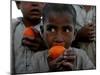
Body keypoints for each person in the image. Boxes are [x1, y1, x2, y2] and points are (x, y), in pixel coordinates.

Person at [31, 3, 95, 73]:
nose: (59, 38)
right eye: (51, 29)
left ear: (74, 34)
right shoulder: (36, 59)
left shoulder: (82, 57)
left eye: (66, 30)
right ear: (42, 32)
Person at [11, 1, 46, 74]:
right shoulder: (10, 28)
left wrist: (45, 47)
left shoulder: (52, 30)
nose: (35, 4)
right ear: (18, 4)